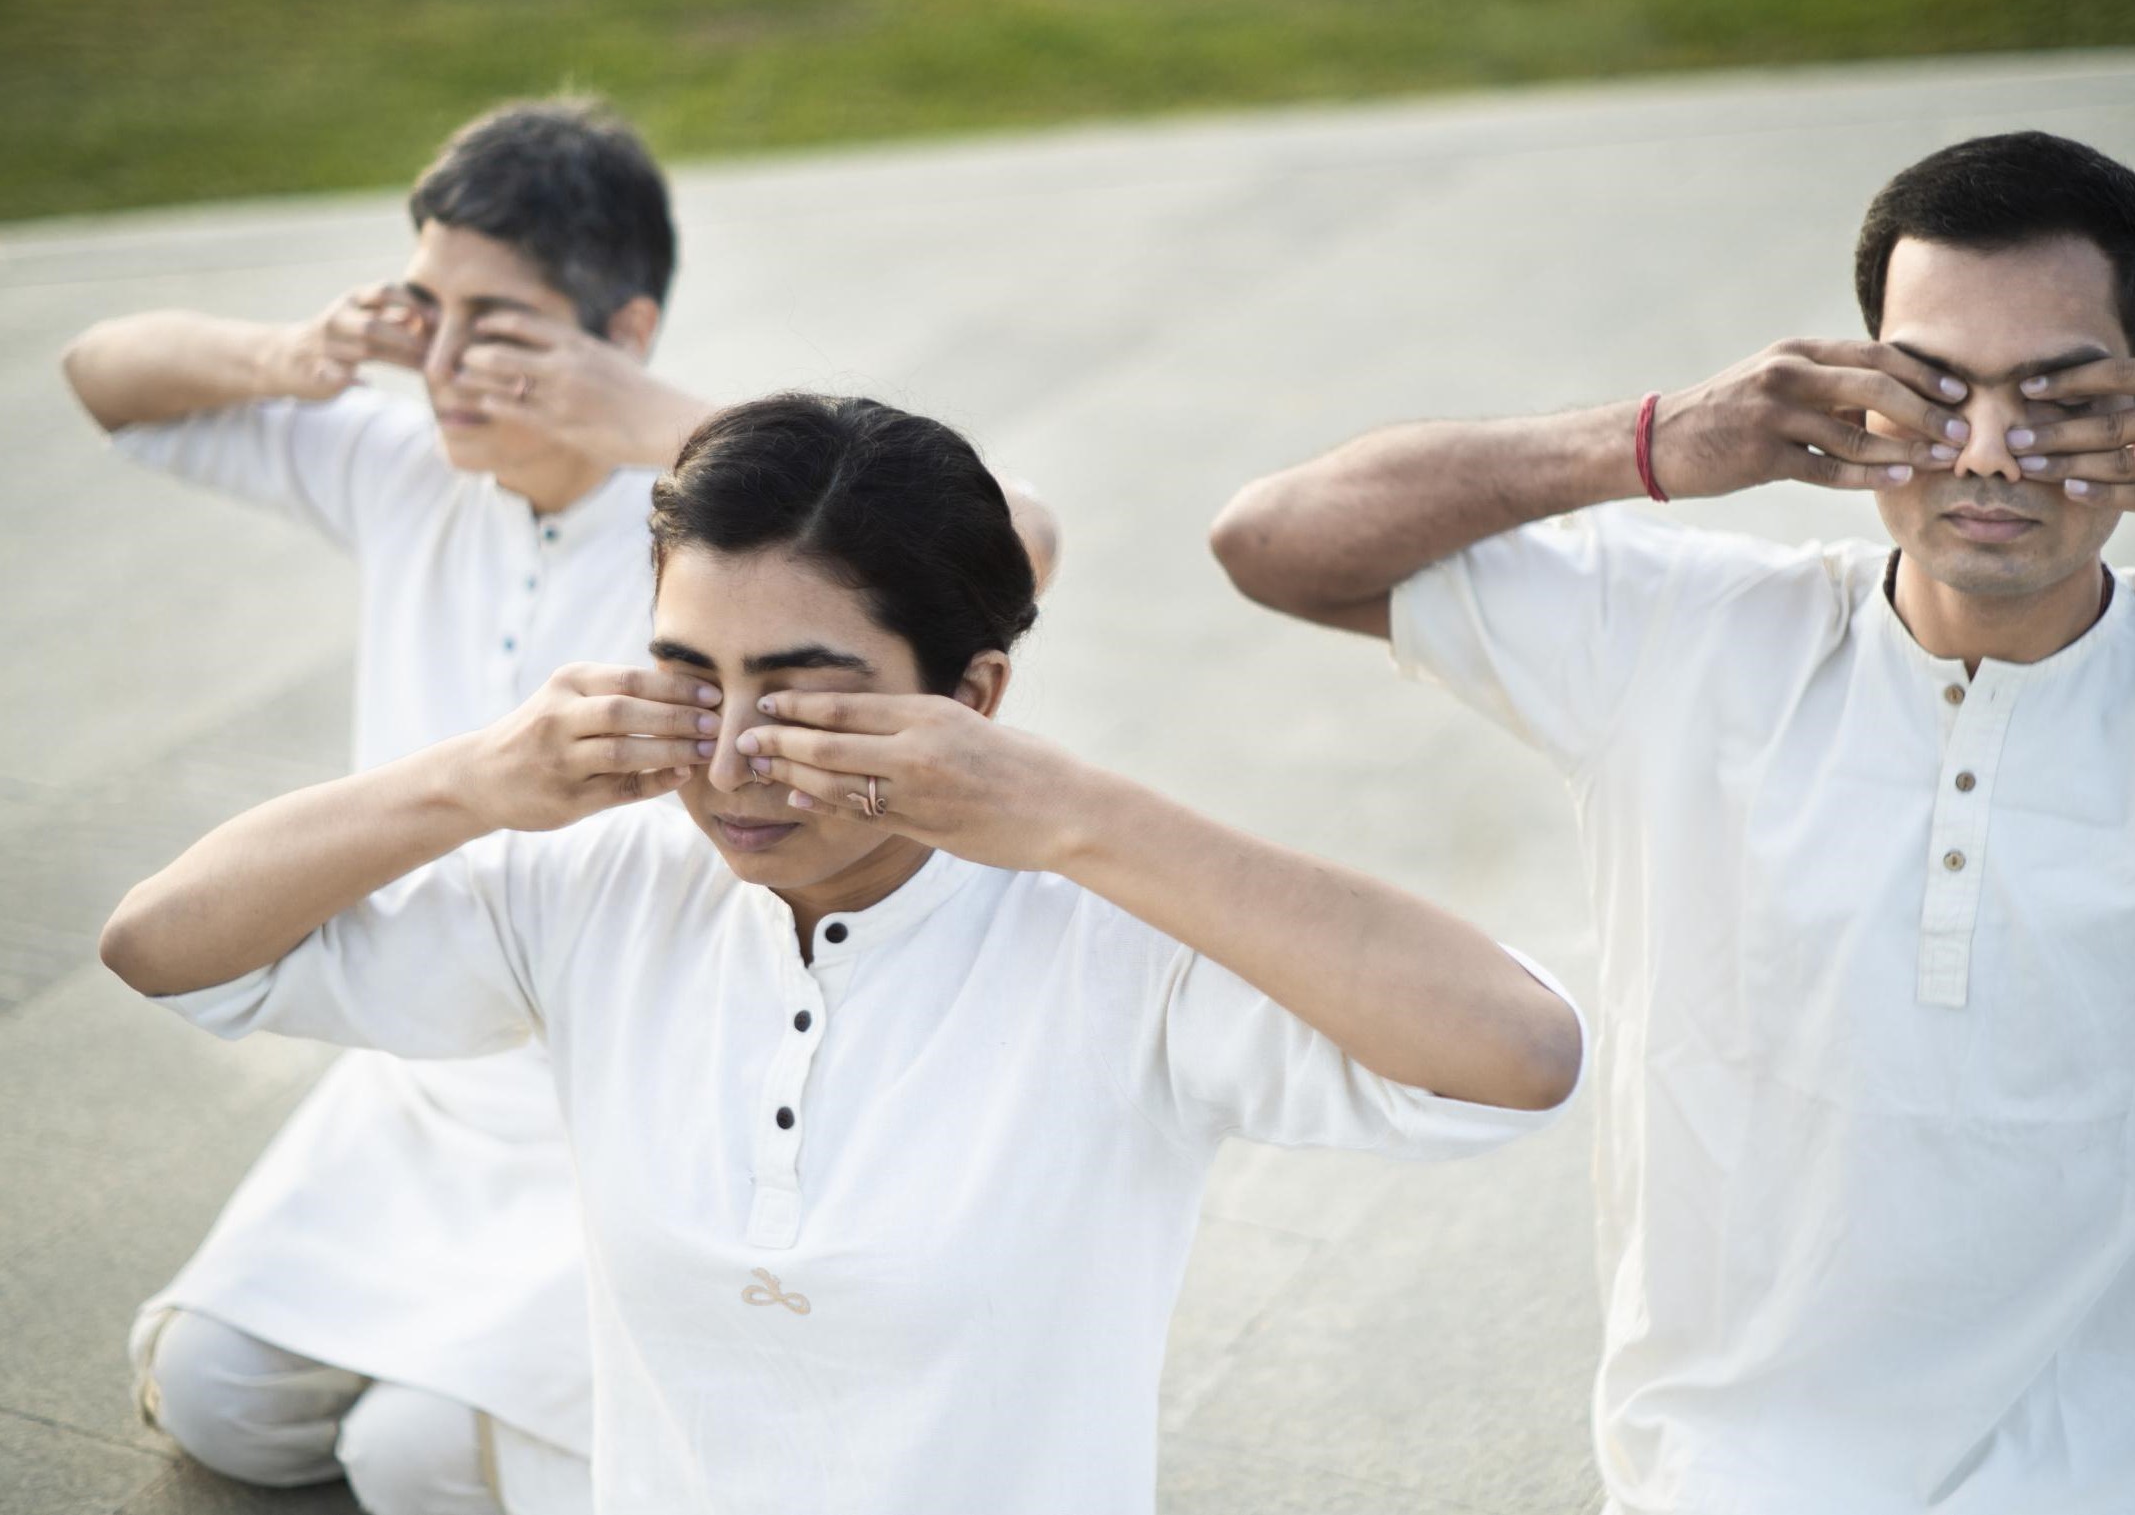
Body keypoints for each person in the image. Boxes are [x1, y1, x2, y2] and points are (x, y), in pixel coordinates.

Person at [100, 392, 1585, 1515]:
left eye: (804, 697)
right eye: (692, 679)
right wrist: (468, 780)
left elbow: (1516, 1052)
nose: (732, 759)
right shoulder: (606, 883)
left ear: (973, 695)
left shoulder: (1113, 936)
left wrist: (1076, 814)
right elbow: (165, 947)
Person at [1208, 128, 2135, 1513]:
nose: (1990, 454)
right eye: (1934, 390)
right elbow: (1274, 541)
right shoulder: (1684, 637)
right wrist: (1655, 439)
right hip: (1723, 1477)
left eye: (2059, 399)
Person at [65, 98, 716, 1515]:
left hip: (635, 1098)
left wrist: (658, 420)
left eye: (497, 322)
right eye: (429, 310)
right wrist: (288, 356)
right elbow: (102, 373)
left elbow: (1001, 530)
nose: (446, 360)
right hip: (416, 1080)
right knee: (213, 1397)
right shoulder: (409, 468)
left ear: (628, 328)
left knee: (417, 1456)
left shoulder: (721, 527)